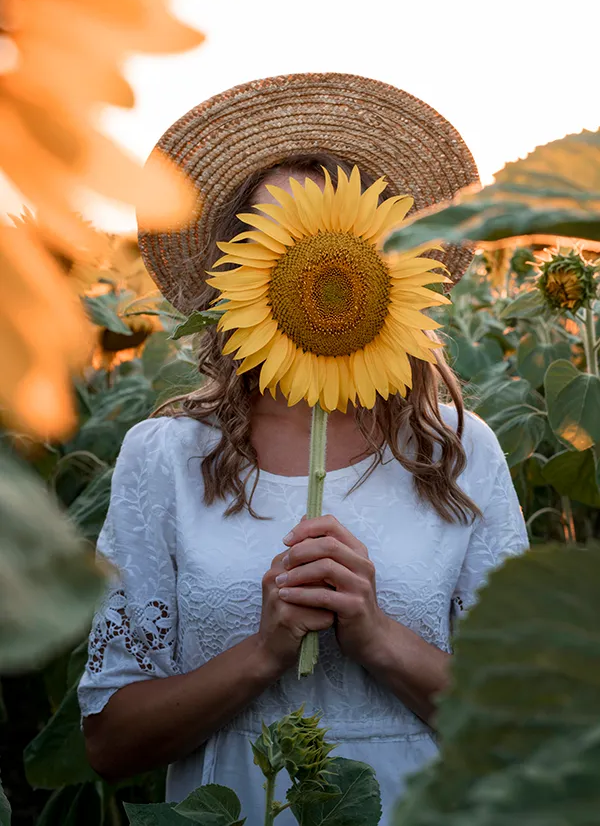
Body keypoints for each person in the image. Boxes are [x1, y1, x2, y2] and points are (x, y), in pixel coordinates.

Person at [77, 73, 529, 824]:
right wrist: (261, 654)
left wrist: (379, 637)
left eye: (346, 241)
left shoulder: (457, 451)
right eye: (275, 241)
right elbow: (110, 741)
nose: (317, 259)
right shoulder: (166, 457)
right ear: (236, 271)